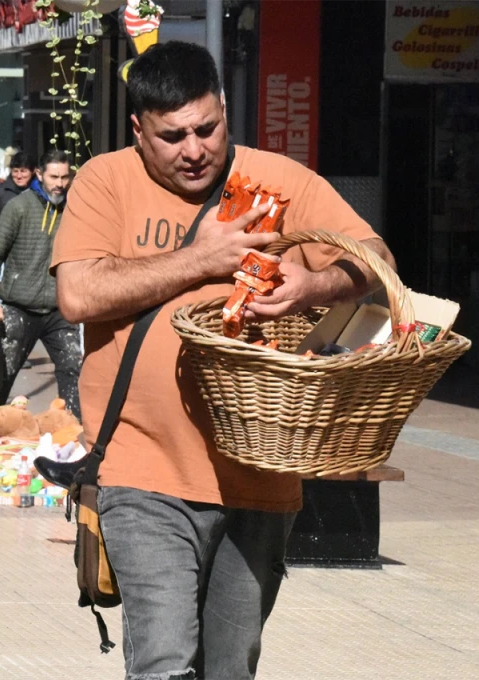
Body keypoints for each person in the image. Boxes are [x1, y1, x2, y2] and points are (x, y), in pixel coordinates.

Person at [51, 42, 394, 679]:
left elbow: (376, 259)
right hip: (141, 469)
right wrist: (200, 260)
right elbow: (78, 293)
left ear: (226, 110)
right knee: (162, 663)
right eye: (172, 135)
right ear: (139, 131)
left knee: (230, 669)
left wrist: (311, 285)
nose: (195, 149)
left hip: (260, 478)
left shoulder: (280, 181)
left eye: (207, 128)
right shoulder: (106, 180)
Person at [0, 150, 80, 416]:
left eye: (65, 177)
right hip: (18, 307)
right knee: (1, 378)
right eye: (54, 176)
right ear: (40, 175)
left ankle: (71, 434)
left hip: (60, 308)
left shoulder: (75, 209)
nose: (60, 183)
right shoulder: (19, 207)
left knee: (72, 369)